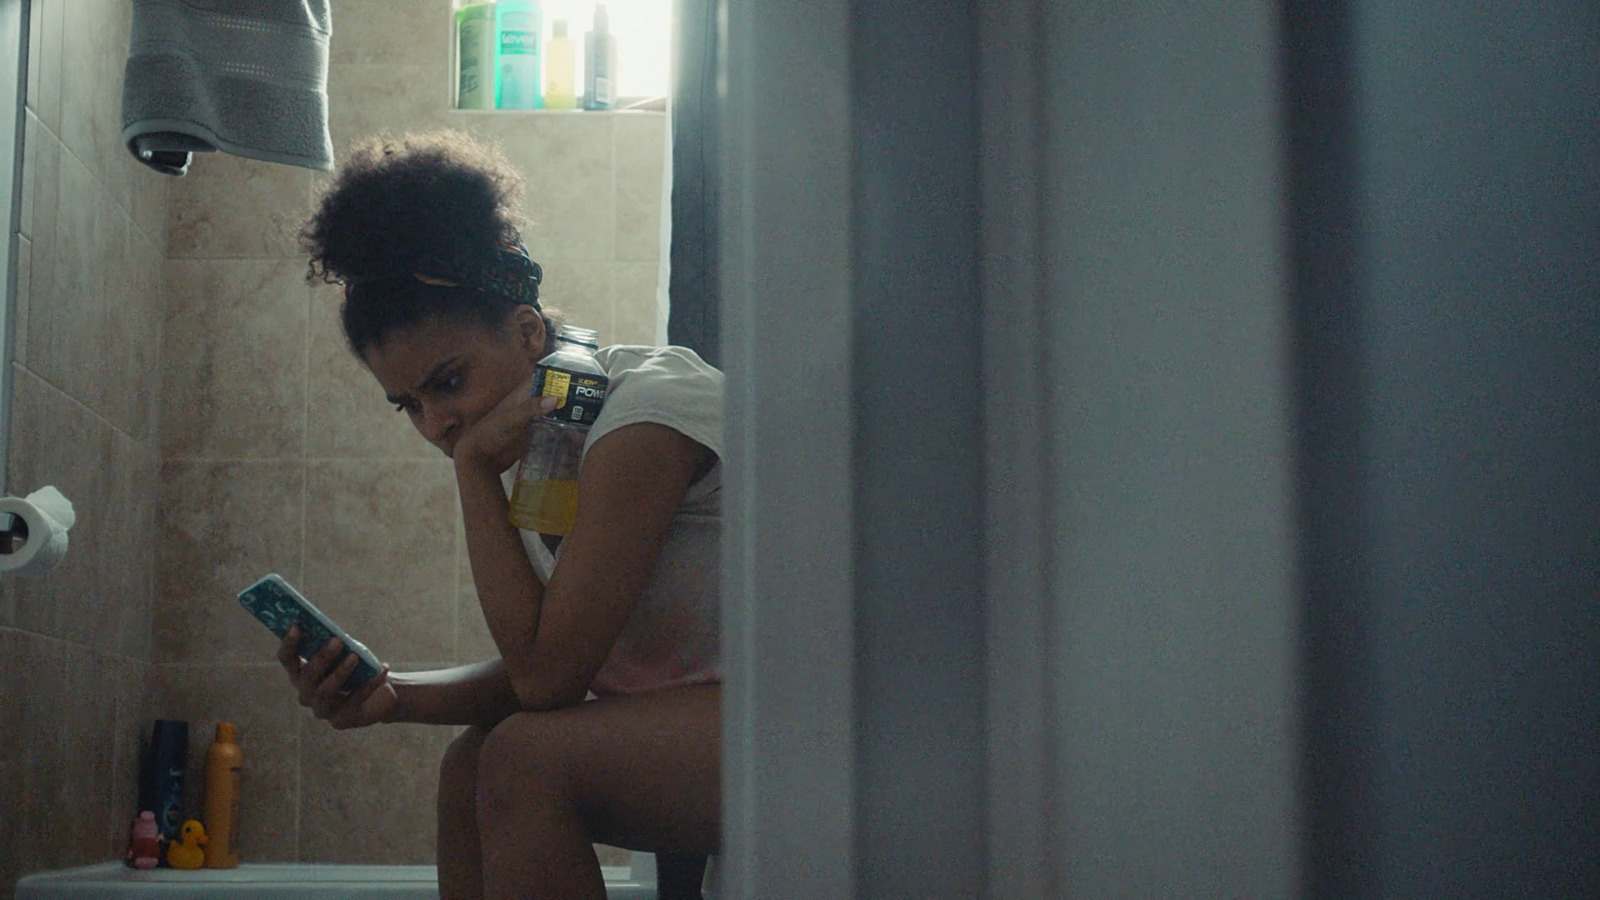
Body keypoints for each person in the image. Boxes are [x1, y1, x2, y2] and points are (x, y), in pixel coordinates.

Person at [276, 130, 722, 900]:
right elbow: (547, 664)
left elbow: (549, 683)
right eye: (407, 403)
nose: (435, 424)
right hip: (735, 724)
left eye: (448, 382)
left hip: (846, 721)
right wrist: (390, 694)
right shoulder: (552, 442)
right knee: (473, 761)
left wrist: (476, 473)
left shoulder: (641, 421)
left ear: (526, 332)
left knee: (523, 757)